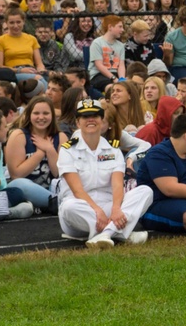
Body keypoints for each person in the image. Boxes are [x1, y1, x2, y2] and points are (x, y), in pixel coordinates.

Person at [57, 98, 153, 247]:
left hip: (109, 208)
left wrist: (115, 208)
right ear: (77, 122)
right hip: (82, 209)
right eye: (85, 116)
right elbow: (77, 191)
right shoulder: (67, 150)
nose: (90, 120)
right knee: (69, 207)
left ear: (101, 121)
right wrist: (97, 210)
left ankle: (106, 234)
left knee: (145, 191)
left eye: (95, 116)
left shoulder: (113, 149)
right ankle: (121, 234)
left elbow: (117, 185)